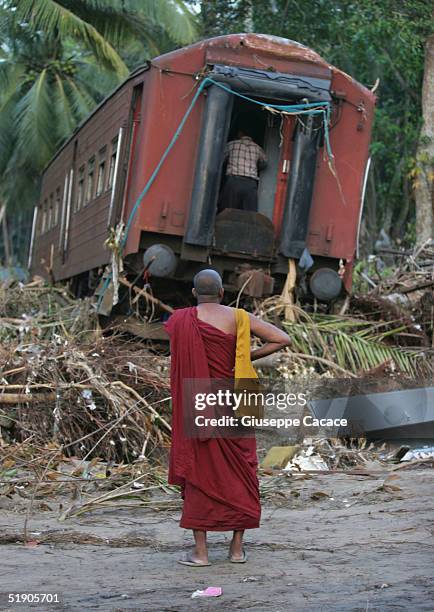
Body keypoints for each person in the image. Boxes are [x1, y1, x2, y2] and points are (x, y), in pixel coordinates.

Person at [164, 269, 290, 566]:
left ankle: (201, 553)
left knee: (198, 472)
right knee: (241, 472)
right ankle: (236, 550)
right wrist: (245, 356)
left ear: (194, 294)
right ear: (222, 293)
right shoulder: (239, 317)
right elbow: (282, 339)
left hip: (200, 404)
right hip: (236, 402)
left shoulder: (181, 321)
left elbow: (180, 359)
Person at [220, 128, 267, 212]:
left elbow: (221, 160)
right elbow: (264, 164)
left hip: (234, 182)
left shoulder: (231, 145)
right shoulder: (258, 148)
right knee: (249, 213)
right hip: (250, 184)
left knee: (228, 211)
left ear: (240, 133)